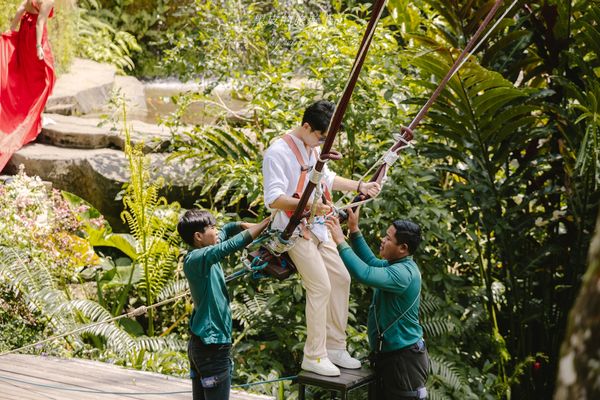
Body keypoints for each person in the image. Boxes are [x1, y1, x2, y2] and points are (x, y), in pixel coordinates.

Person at [262, 99, 381, 376]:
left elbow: (326, 178)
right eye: (320, 137)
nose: (321, 143)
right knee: (320, 287)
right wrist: (313, 207)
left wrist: (360, 186)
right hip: (292, 231)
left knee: (341, 278)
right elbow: (274, 200)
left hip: (318, 226)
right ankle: (314, 355)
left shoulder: (311, 148)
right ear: (306, 126)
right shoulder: (278, 152)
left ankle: (336, 346)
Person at [325, 207, 429, 399]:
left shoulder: (404, 274)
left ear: (403, 248)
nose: (383, 239)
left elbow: (364, 273)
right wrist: (354, 230)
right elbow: (371, 262)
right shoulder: (395, 265)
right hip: (391, 357)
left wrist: (340, 240)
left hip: (404, 360)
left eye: (389, 239)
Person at [177, 209, 270, 400]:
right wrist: (265, 223)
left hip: (203, 345)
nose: (216, 230)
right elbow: (227, 246)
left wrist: (241, 225)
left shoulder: (202, 251)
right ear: (198, 236)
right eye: (212, 227)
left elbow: (226, 231)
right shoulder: (196, 259)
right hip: (211, 348)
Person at [0, 0, 56, 172]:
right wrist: (39, 46)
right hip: (35, 39)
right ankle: (32, 117)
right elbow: (40, 22)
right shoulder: (48, 0)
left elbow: (21, 9)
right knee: (45, 78)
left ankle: (35, 115)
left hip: (25, 33)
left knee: (26, 75)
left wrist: (12, 29)